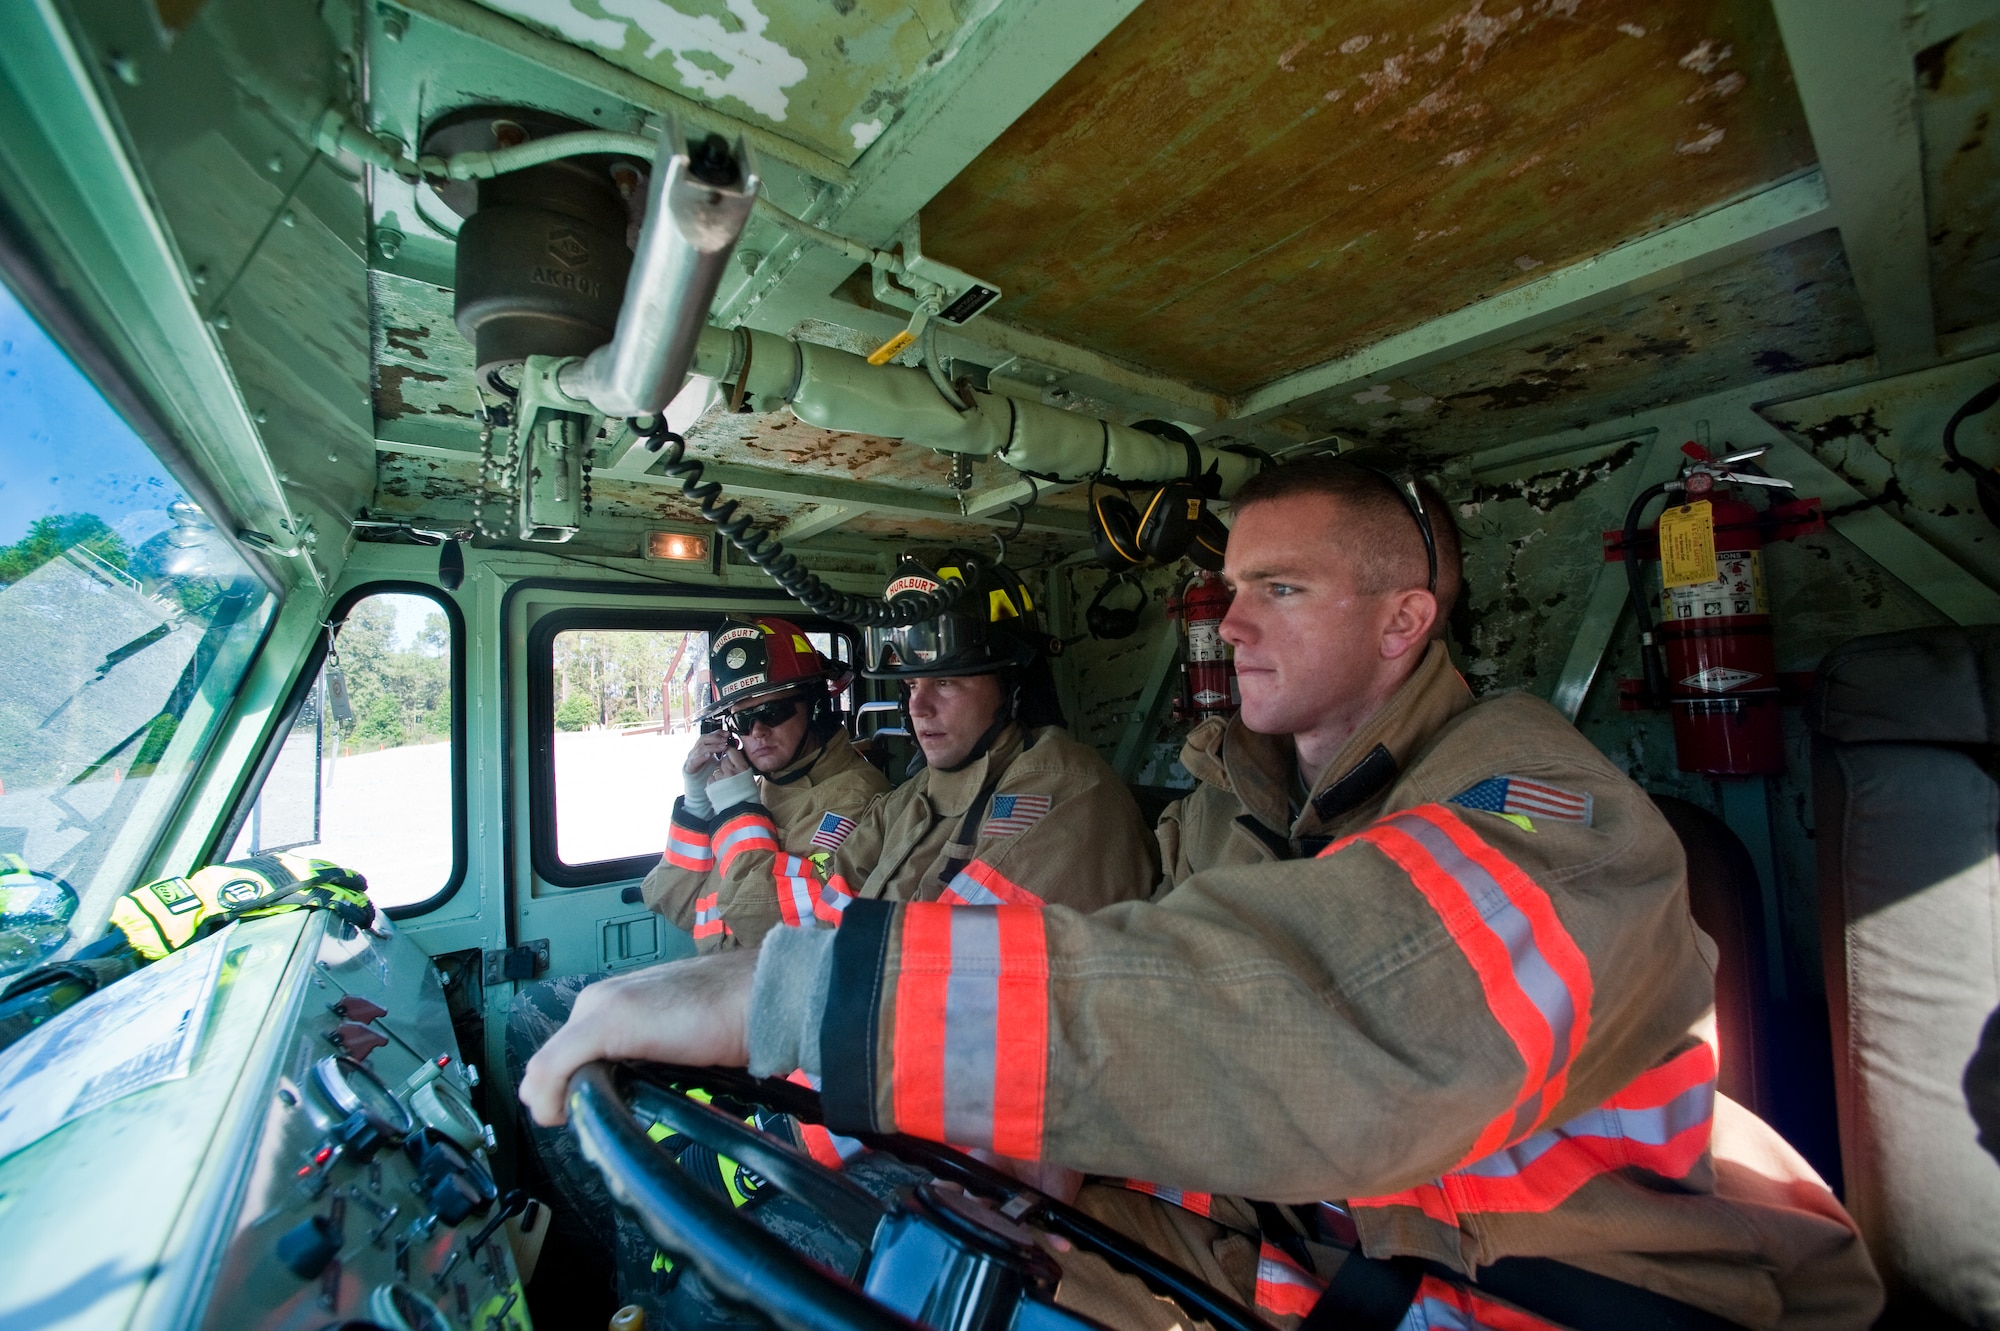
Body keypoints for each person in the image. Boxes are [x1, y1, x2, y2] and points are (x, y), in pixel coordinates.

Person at [520, 456, 1883, 1330]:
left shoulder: (1552, 808)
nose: (1226, 624)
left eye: (1277, 588)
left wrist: (786, 991)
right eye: (1230, 587)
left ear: (1403, 622)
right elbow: (1153, 982)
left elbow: (1339, 1022)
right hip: (1313, 1251)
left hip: (1562, 1291)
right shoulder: (1242, 798)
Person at [800, 553, 1159, 920]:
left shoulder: (1068, 793)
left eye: (944, 682)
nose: (917, 707)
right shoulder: (907, 799)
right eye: (910, 684)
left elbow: (955, 963)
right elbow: (825, 914)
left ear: (1011, 684)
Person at [640, 616, 888, 951]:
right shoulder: (756, 789)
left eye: (773, 711)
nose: (756, 731)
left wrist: (740, 815)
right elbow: (675, 905)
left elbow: (775, 925)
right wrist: (697, 807)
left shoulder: (857, 798)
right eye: (741, 719)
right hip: (725, 975)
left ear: (815, 706)